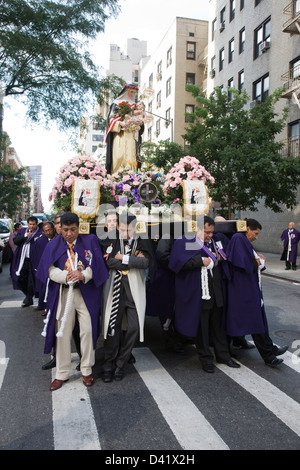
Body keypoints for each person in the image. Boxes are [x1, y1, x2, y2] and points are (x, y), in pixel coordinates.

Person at [36, 212, 109, 391]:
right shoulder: (54, 245)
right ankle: (61, 373)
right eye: (65, 229)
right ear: (60, 229)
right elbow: (49, 269)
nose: (69, 233)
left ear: (79, 227)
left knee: (87, 331)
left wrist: (83, 274)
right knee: (63, 332)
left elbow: (97, 265)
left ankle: (86, 370)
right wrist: (66, 276)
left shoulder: (90, 241)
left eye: (73, 229)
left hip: (85, 292)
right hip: (64, 293)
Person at [168, 216, 240, 373]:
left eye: (212, 232)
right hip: (198, 292)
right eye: (207, 232)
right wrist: (200, 261)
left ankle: (224, 356)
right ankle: (206, 358)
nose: (210, 235)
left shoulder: (214, 242)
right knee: (202, 328)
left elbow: (223, 257)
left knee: (218, 327)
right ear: (198, 229)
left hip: (215, 290)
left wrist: (218, 258)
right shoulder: (185, 242)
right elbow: (177, 263)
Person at [223, 218, 288, 367]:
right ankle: (269, 355)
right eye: (255, 233)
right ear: (248, 229)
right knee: (254, 321)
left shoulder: (242, 240)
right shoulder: (238, 238)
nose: (256, 237)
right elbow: (243, 263)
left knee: (255, 321)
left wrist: (258, 260)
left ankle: (270, 350)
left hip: (246, 287)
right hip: (242, 289)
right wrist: (257, 262)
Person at [100, 212, 152, 382]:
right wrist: (133, 260)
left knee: (134, 327)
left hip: (134, 289)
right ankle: (108, 366)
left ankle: (120, 364)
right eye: (122, 230)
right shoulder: (111, 239)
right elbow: (109, 262)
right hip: (115, 288)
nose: (126, 234)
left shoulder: (142, 240)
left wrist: (122, 257)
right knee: (112, 328)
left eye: (129, 230)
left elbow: (145, 263)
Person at [105, 84, 144, 174]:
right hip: (120, 134)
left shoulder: (135, 106)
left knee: (131, 157)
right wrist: (120, 123)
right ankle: (116, 177)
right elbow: (111, 120)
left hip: (131, 135)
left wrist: (139, 123)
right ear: (126, 91)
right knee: (119, 156)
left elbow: (140, 120)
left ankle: (131, 178)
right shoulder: (116, 103)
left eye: (134, 92)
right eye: (131, 91)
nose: (132, 94)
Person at [12, 216, 42, 307]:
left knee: (30, 280)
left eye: (33, 224)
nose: (31, 226)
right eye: (30, 224)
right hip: (22, 259)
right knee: (20, 278)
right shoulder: (22, 232)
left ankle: (29, 298)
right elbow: (16, 241)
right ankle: (28, 295)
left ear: (36, 224)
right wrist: (25, 236)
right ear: (28, 224)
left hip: (33, 260)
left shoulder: (40, 233)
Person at [31, 222, 56, 312]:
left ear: (53, 229)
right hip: (42, 268)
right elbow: (35, 255)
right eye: (46, 231)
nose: (48, 233)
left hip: (54, 269)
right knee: (42, 288)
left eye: (50, 230)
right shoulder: (39, 241)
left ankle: (49, 308)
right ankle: (41, 305)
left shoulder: (58, 240)